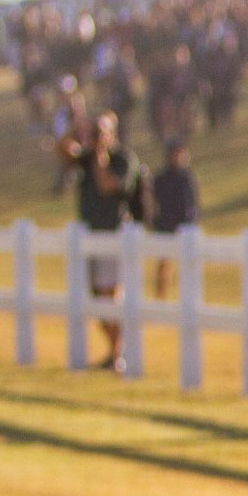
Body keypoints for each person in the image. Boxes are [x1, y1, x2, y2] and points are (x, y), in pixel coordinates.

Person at [57, 112, 140, 370]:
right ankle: (115, 351)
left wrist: (101, 154)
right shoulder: (86, 158)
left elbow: (108, 186)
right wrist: (76, 127)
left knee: (109, 295)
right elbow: (63, 149)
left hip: (113, 235)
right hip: (88, 237)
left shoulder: (123, 159)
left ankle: (118, 354)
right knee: (94, 297)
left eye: (101, 131)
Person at [147, 139, 200, 301]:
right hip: (166, 224)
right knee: (164, 263)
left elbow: (193, 202)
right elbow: (153, 201)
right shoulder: (162, 178)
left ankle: (187, 298)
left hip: (186, 225)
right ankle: (161, 297)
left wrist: (193, 220)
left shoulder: (188, 177)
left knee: (188, 264)